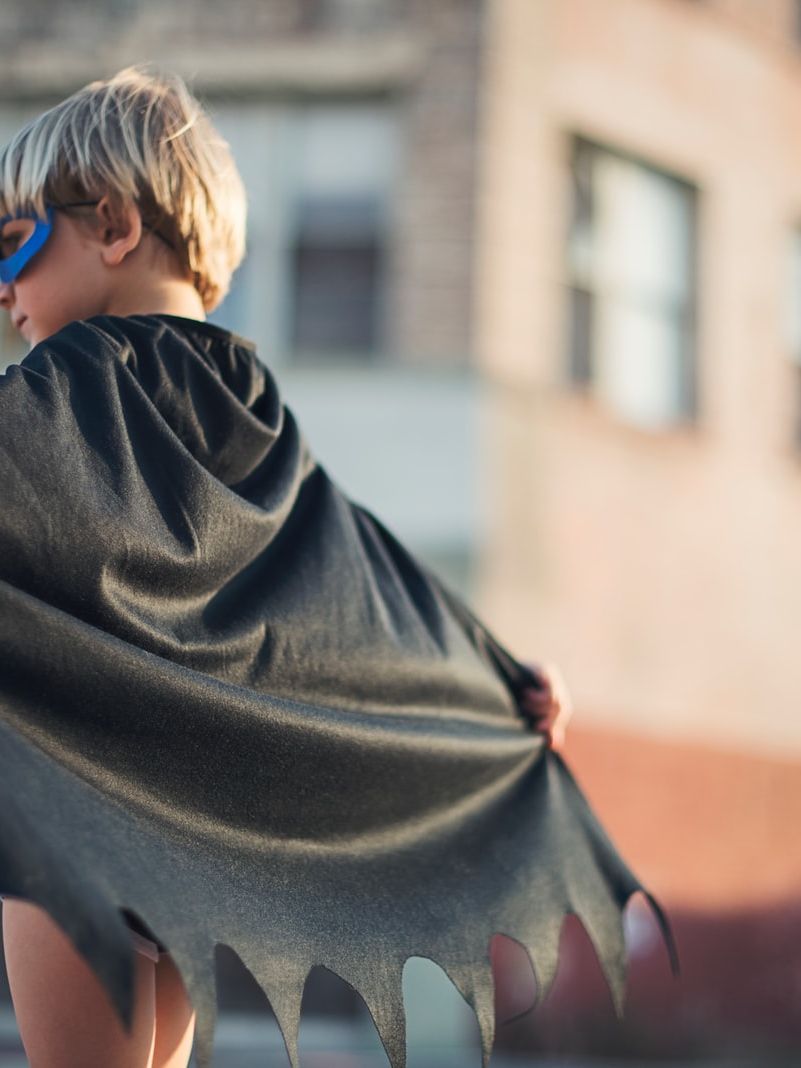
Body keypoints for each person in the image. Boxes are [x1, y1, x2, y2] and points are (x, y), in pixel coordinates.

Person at [0, 66, 668, 1068]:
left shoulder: (64, 384)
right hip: (187, 838)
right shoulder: (248, 396)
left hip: (73, 814)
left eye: (13, 245)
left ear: (113, 226)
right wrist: (494, 676)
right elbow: (345, 574)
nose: (3, 286)